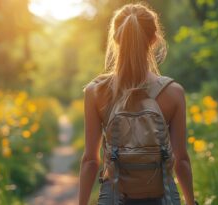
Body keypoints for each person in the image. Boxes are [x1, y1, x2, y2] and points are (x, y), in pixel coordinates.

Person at [78, 2, 196, 205]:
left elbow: (90, 159)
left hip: (114, 197)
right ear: (153, 39)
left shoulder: (95, 92)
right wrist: (191, 201)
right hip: (162, 196)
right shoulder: (173, 92)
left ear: (116, 38)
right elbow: (181, 159)